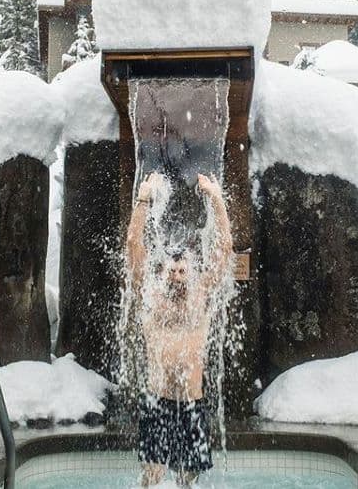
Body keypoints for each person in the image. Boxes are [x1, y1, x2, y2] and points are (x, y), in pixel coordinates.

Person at [126, 171, 233, 487]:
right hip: (157, 401)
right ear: (162, 273)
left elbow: (224, 249)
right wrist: (143, 200)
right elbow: (133, 247)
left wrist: (216, 200)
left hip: (191, 402)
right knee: (152, 478)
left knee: (189, 481)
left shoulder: (200, 298)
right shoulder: (151, 298)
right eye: (172, 270)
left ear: (191, 272)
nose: (176, 275)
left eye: (182, 270)